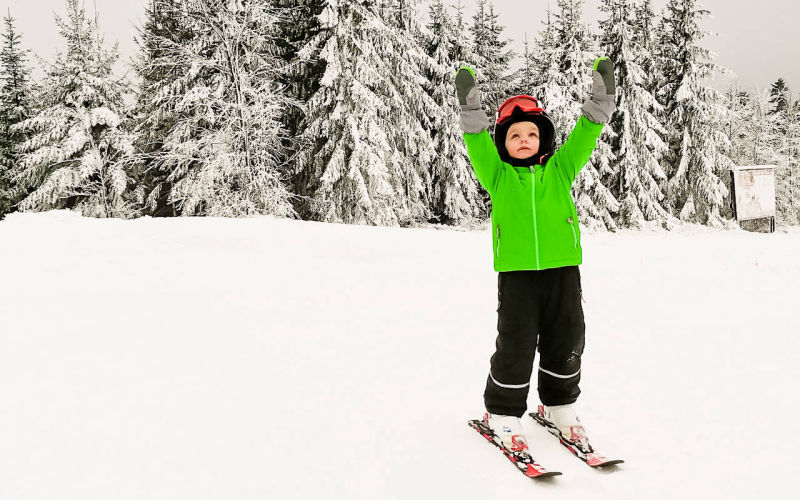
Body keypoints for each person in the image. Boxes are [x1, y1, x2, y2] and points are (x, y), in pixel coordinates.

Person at [455, 58, 616, 455]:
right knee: (516, 342)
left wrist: (600, 104)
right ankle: (504, 413)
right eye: (515, 135)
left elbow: (584, 136)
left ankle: (560, 405)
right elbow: (476, 143)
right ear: (504, 144)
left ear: (544, 139)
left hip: (563, 270)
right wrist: (472, 112)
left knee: (567, 337)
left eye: (531, 133)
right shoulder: (498, 175)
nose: (524, 139)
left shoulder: (559, 170)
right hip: (518, 275)